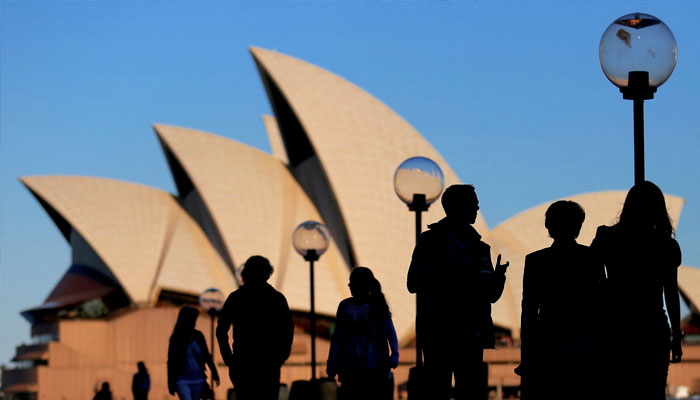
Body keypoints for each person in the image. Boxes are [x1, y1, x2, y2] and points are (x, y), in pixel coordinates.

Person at [407, 184, 509, 400]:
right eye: (473, 203)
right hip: (439, 333)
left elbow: (490, 295)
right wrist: (452, 273)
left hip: (471, 334)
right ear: (458, 207)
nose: (478, 207)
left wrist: (498, 277)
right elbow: (413, 282)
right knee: (437, 390)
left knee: (470, 392)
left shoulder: (480, 248)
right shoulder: (430, 241)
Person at [591, 181, 682, 399]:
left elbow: (589, 274)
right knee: (652, 390)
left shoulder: (607, 237)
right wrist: (676, 336)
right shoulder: (666, 246)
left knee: (616, 388)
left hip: (615, 326)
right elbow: (671, 293)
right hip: (652, 327)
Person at [517, 200, 605, 400]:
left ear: (548, 226)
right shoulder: (592, 258)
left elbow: (528, 310)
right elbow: (601, 306)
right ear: (578, 226)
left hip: (547, 346)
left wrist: (526, 357)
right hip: (585, 346)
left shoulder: (535, 260)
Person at [216, 255, 294, 400]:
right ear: (267, 273)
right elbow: (288, 330)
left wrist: (229, 359)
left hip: (243, 362)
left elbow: (221, 330)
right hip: (268, 363)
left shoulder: (236, 298)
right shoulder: (277, 298)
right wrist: (281, 355)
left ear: (245, 273)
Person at [327, 266, 399, 400]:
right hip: (352, 369)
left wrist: (395, 354)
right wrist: (332, 363)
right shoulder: (345, 306)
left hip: (375, 369)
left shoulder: (377, 306)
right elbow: (338, 338)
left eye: (352, 281)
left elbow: (390, 331)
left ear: (361, 285)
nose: (349, 285)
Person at [167, 305, 220, 400]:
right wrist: (170, 382)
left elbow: (206, 355)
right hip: (181, 380)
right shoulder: (176, 338)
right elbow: (171, 361)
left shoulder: (198, 336)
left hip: (198, 379)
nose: (194, 321)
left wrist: (214, 373)